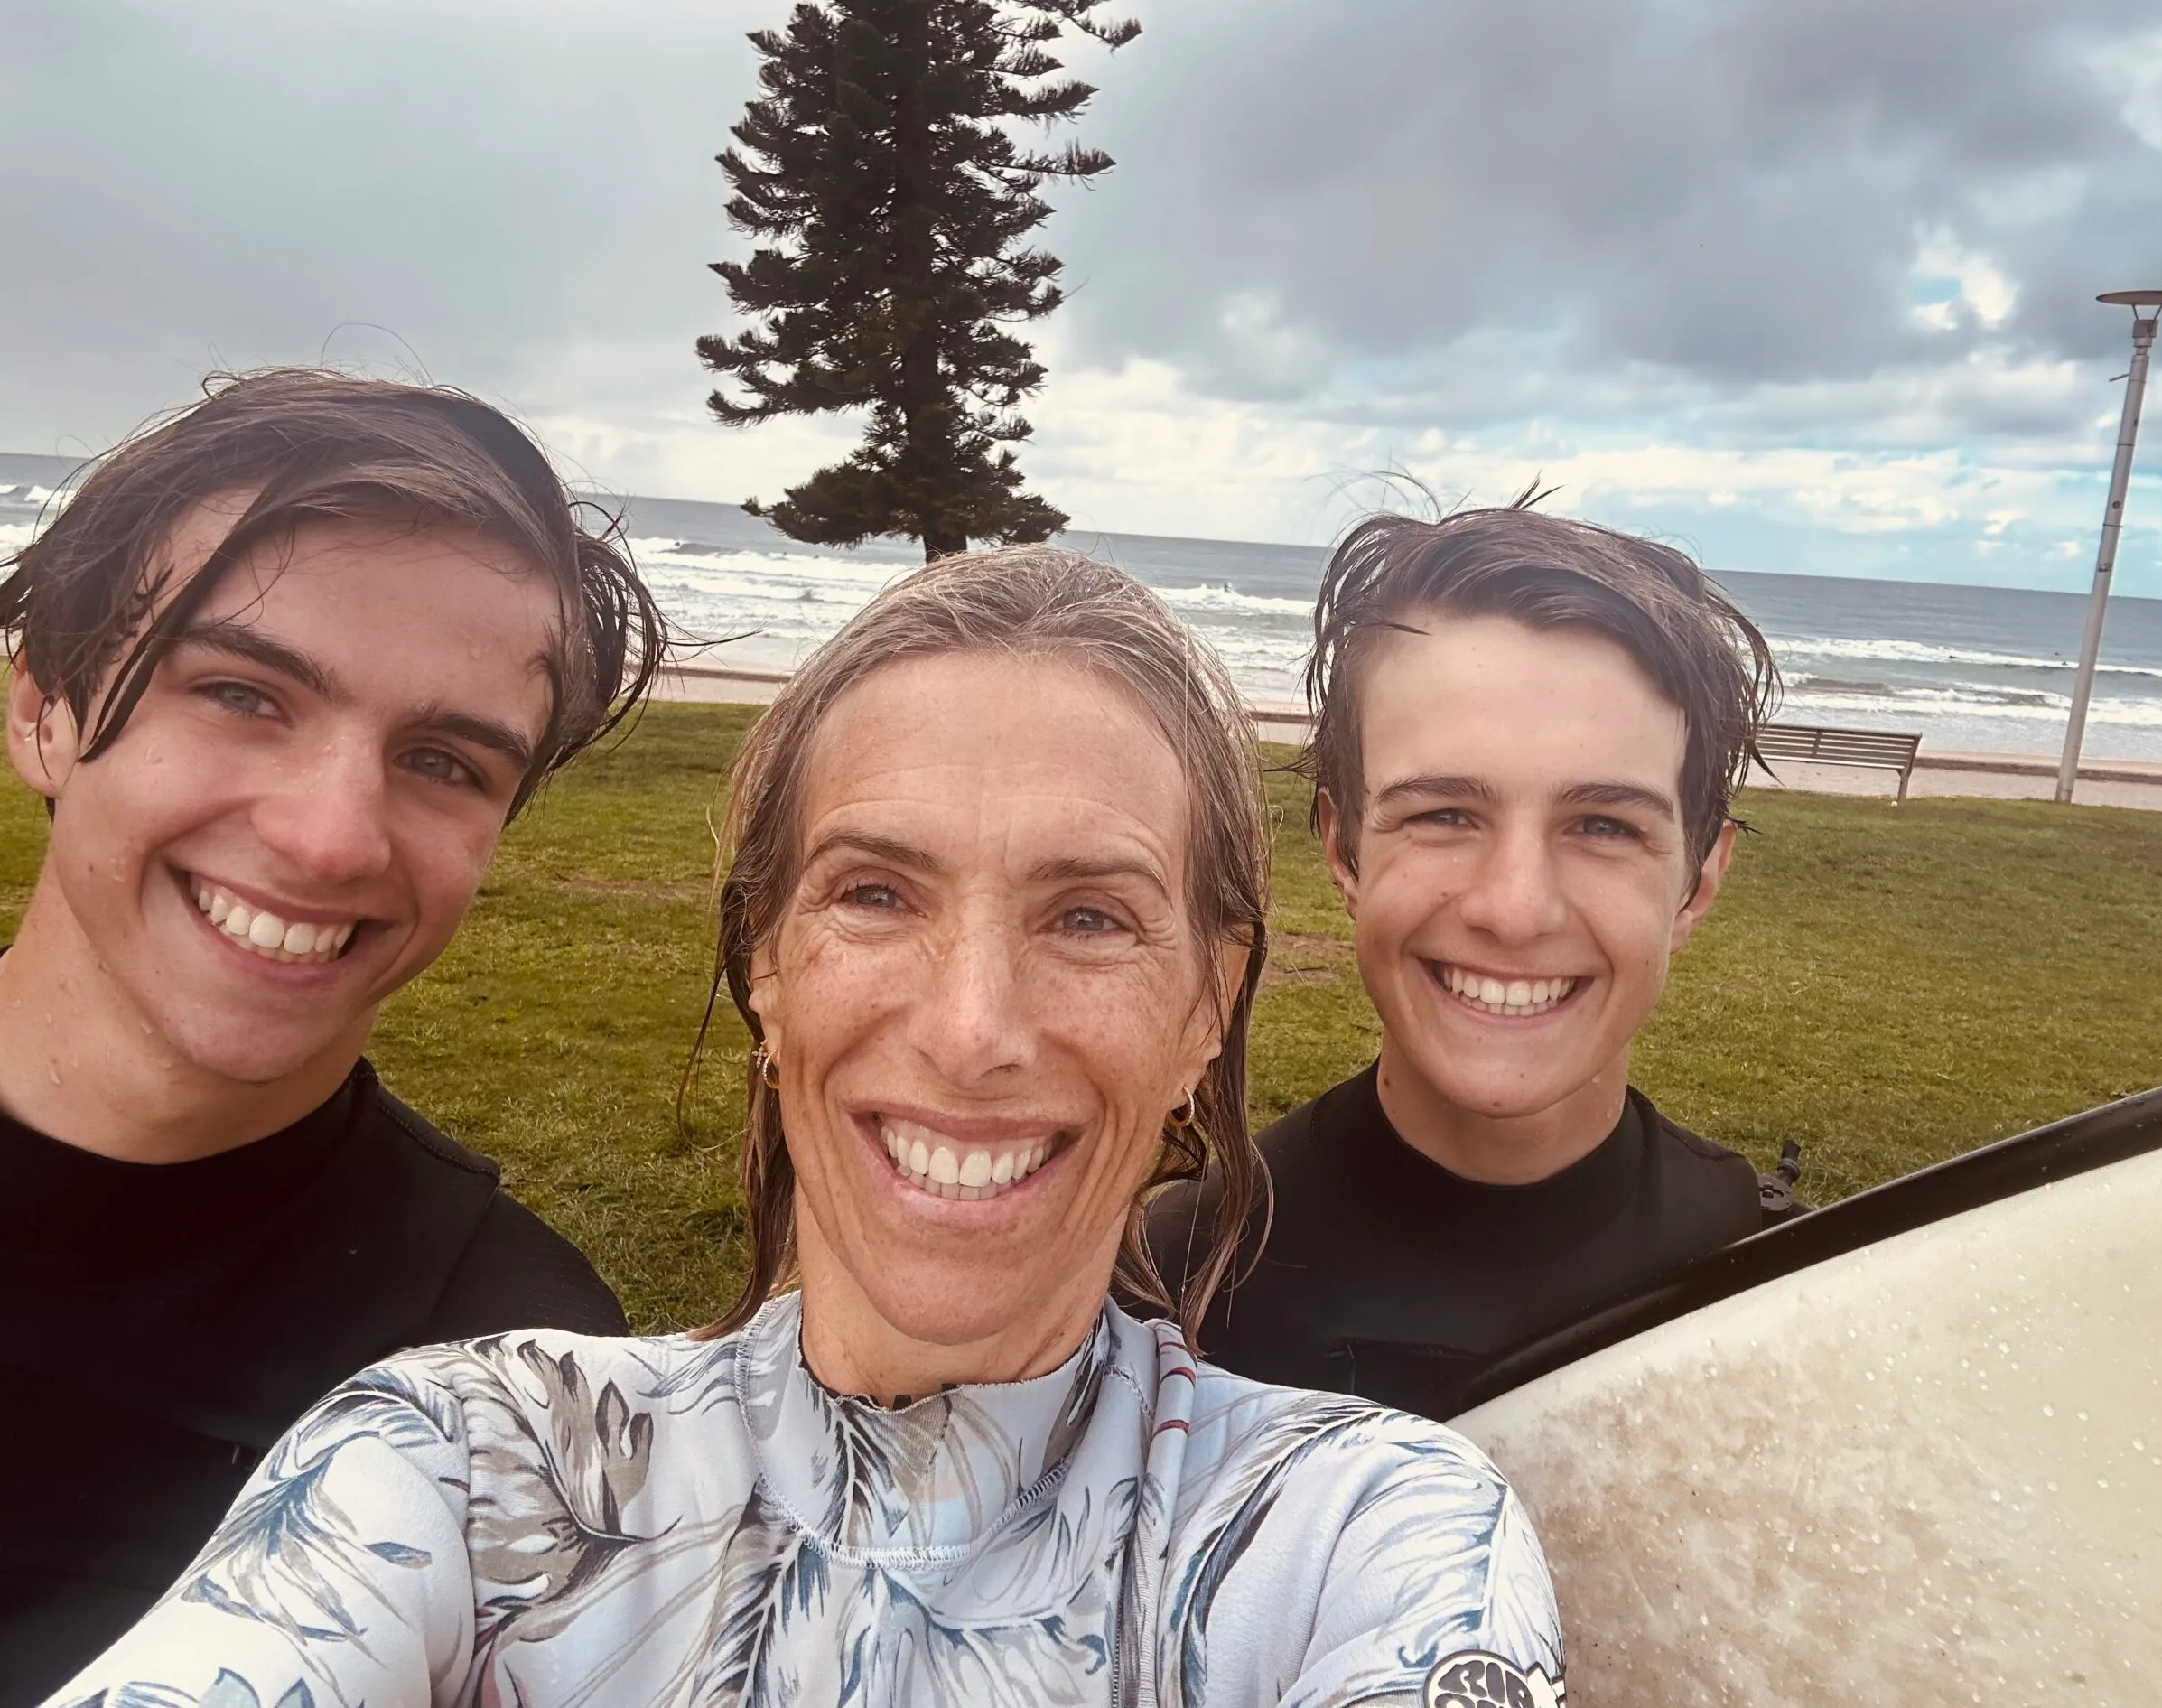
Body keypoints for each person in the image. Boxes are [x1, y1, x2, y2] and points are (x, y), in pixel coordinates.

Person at [47, 547, 1564, 1708]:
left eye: (1089, 915)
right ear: (767, 965)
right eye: (877, 895)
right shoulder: (469, 1468)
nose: (974, 1029)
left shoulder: (1359, 1545)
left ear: (1208, 1004)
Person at [1, 370, 668, 1702]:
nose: (329, 837)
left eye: (442, 763)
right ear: (45, 713)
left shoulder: (511, 1386)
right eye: (244, 694)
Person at [1148, 505, 1783, 1422]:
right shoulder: (1170, 1298)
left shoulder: (1774, 1296)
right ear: (1344, 851)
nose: (1513, 908)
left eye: (1603, 826)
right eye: (1444, 814)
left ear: (1697, 882)